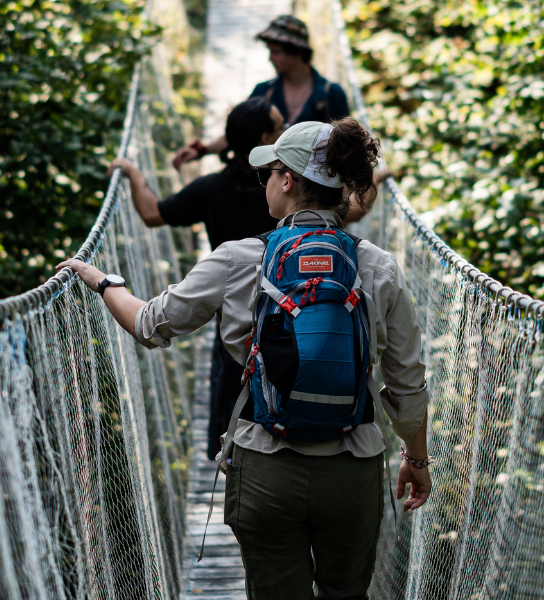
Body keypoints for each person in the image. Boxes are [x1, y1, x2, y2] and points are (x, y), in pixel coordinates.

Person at [59, 117, 431, 599]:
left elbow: (150, 323)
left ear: (288, 180)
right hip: (352, 466)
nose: (266, 183)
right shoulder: (378, 265)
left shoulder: (237, 258)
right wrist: (416, 458)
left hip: (265, 465)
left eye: (268, 173)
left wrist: (104, 282)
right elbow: (407, 384)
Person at [110, 97, 286, 459]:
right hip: (290, 309)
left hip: (233, 315)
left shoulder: (211, 188)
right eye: (279, 127)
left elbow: (151, 213)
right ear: (266, 139)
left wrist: (134, 174)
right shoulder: (287, 189)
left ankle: (231, 463)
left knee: (231, 400)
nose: (285, 131)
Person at [172, 15, 350, 169]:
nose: (270, 58)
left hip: (315, 195)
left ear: (298, 53)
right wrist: (201, 150)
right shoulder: (263, 91)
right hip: (267, 190)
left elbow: (346, 148)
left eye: (276, 52)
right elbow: (240, 134)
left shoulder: (331, 94)